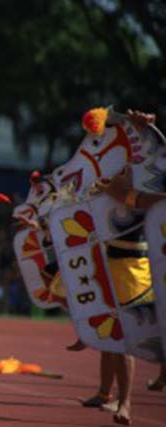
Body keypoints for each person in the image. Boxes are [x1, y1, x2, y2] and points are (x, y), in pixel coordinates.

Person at [86, 109, 158, 426]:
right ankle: (105, 392)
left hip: (133, 264)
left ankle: (125, 403)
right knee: (108, 332)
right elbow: (99, 116)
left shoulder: (149, 174)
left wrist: (121, 192)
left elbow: (146, 203)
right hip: (106, 257)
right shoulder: (112, 169)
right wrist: (125, 117)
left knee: (125, 334)